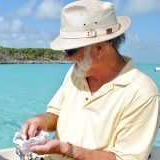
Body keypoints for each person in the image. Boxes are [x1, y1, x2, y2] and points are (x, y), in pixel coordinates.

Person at [21, 0, 160, 160]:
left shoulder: (142, 93)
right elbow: (56, 113)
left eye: (71, 50)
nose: (65, 57)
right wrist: (41, 121)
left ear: (100, 48)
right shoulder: (76, 72)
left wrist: (66, 150)